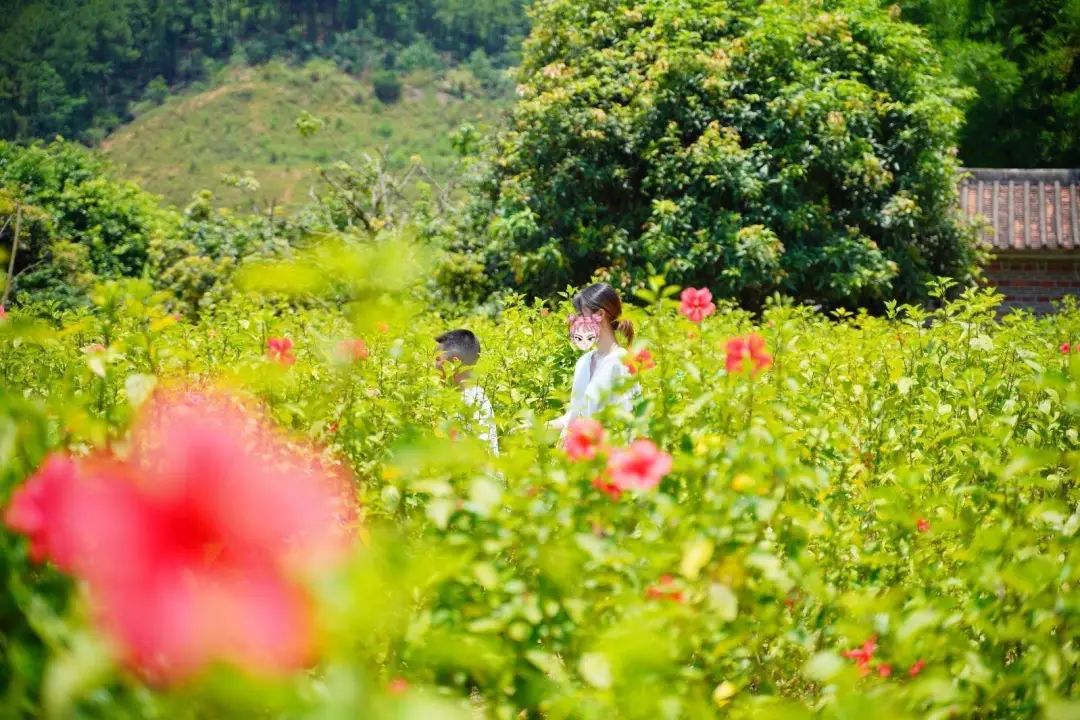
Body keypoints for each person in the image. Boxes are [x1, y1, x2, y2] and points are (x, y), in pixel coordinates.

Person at [550, 283, 641, 432]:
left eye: (580, 314)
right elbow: (572, 419)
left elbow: (624, 427)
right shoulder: (584, 362)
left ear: (599, 315)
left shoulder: (621, 363)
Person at [435, 329, 499, 456]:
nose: (432, 365)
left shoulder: (474, 401)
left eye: (437, 359)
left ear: (455, 361)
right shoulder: (457, 395)